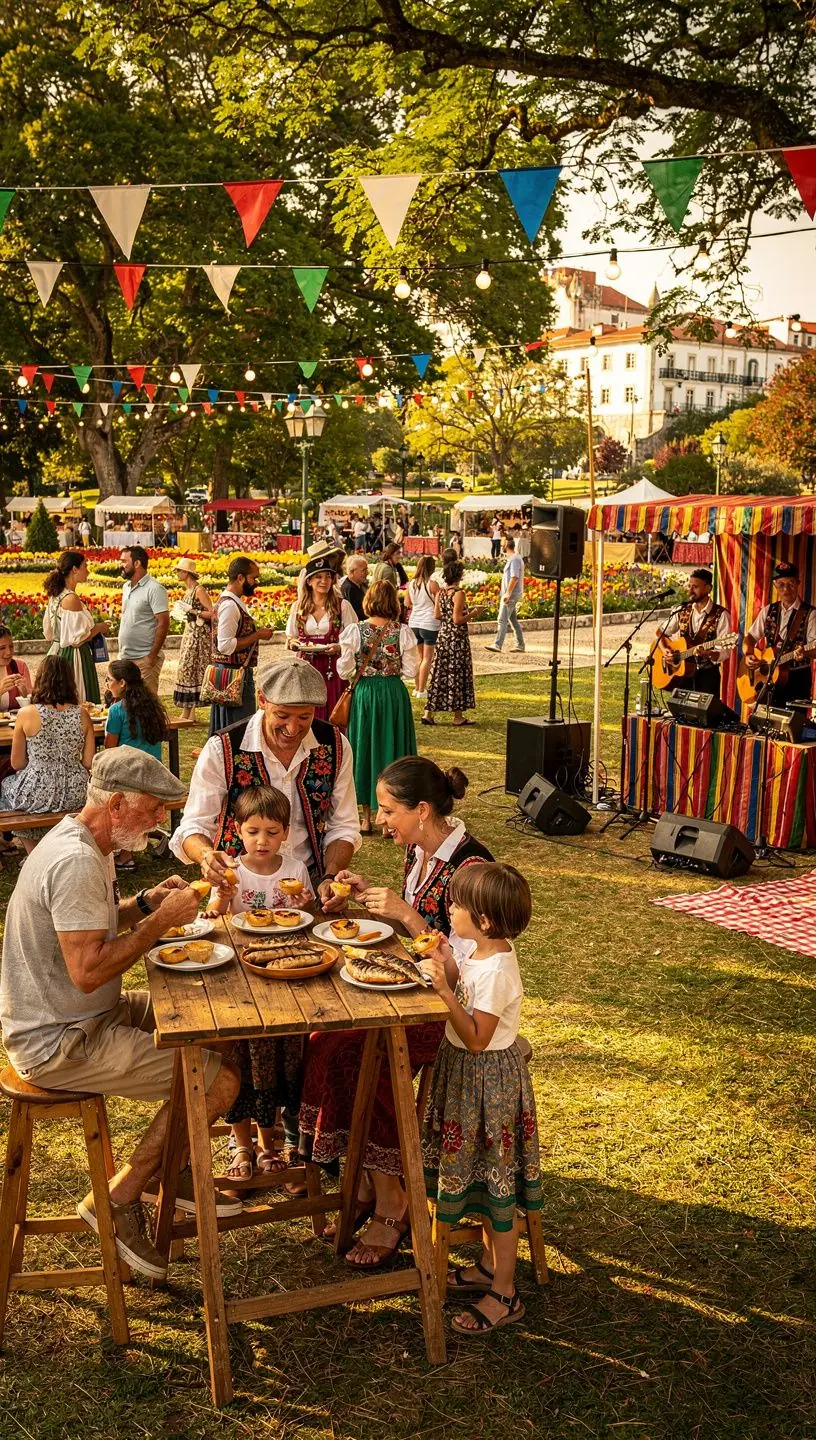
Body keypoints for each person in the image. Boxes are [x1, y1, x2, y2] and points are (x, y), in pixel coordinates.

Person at [0, 747, 241, 1281]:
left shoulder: (88, 842)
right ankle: (119, 1196)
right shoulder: (76, 861)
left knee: (214, 1025)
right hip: (59, 1039)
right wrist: (159, 924)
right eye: (153, 808)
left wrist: (146, 903)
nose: (159, 820)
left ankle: (170, 1165)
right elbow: (88, 970)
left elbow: (93, 924)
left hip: (85, 1015)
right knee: (218, 1081)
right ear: (115, 805)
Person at [299, 755, 493, 1266]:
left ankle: (393, 1200)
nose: (381, 821)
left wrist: (406, 914)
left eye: (388, 811)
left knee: (362, 1052)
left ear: (421, 810)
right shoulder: (418, 852)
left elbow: (467, 971)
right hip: (412, 992)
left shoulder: (472, 869)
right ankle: (366, 1175)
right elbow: (412, 931)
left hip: (454, 1012)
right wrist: (365, 900)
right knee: (322, 1038)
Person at [422, 861, 541, 1334]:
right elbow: (465, 986)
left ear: (485, 920)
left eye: (457, 905)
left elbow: (476, 1038)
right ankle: (490, 1268)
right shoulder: (480, 951)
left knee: (497, 1192)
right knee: (481, 1180)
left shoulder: (498, 971)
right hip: (468, 1081)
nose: (449, 908)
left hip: (487, 1086)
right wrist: (448, 960)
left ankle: (505, 1293)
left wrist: (443, 991)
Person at [170, 658, 361, 900]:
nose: (292, 728)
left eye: (305, 717)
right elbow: (194, 824)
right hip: (239, 883)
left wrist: (330, 878)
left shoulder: (335, 744)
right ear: (262, 700)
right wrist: (206, 855)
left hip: (310, 881)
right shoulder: (223, 748)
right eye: (282, 715)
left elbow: (343, 826)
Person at [205, 785, 313, 1192]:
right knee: (239, 1057)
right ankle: (241, 1145)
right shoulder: (232, 871)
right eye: (253, 832)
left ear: (285, 832)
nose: (261, 840)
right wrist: (222, 899)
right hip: (241, 978)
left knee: (276, 1057)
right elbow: (214, 918)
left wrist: (304, 906)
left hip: (283, 978)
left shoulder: (295, 870)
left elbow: (305, 921)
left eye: (271, 832)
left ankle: (271, 1144)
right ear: (238, 830)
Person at [338, 580, 418, 836]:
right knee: (393, 748)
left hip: (365, 694)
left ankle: (365, 818)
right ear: (393, 602)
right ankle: (390, 817)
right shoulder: (402, 631)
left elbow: (344, 670)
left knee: (364, 748)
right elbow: (411, 670)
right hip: (393, 693)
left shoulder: (355, 631)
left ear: (368, 601)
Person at [0, 656, 96, 849]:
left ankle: (33, 852)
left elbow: (17, 763)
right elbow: (88, 762)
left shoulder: (26, 713)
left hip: (36, 790)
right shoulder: (82, 714)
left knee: (6, 788)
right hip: (76, 790)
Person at [104, 658, 170, 870]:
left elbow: (109, 749)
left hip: (130, 775)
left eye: (109, 680)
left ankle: (125, 855)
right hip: (153, 773)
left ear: (122, 682)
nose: (107, 684)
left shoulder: (117, 711)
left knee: (106, 795)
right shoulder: (152, 706)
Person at [286, 553, 357, 724]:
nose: (324, 581)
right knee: (307, 712)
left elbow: (355, 638)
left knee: (333, 713)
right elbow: (290, 637)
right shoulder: (298, 607)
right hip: (305, 668)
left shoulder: (342, 605)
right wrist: (294, 643)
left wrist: (339, 647)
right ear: (309, 581)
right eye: (318, 577)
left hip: (332, 668)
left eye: (328, 576)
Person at [209, 555, 274, 737]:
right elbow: (225, 645)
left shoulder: (230, 602)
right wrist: (258, 635)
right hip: (233, 676)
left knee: (232, 728)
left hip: (228, 674)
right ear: (240, 578)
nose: (256, 582)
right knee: (237, 729)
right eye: (253, 578)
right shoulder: (230, 606)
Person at [743, 560, 816, 706]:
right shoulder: (768, 610)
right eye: (781, 584)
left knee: (793, 719)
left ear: (798, 583)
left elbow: (814, 649)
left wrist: (805, 653)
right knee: (763, 718)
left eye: (791, 583)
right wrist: (749, 654)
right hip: (768, 681)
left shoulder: (811, 614)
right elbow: (750, 637)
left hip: (797, 679)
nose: (786, 588)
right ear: (775, 586)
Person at [43, 550, 108, 704]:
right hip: (74, 656)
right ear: (74, 569)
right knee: (79, 697)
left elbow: (48, 633)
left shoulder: (56, 595)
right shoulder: (71, 598)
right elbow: (77, 640)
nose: (88, 571)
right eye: (85, 566)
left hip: (56, 652)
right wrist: (100, 627)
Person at [655, 568, 731, 697]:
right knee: (679, 708)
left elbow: (725, 652)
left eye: (695, 587)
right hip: (682, 676)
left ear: (708, 588)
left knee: (705, 709)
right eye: (689, 586)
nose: (690, 590)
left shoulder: (721, 615)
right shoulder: (682, 610)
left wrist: (709, 653)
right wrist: (664, 650)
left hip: (707, 677)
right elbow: (660, 632)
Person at [422, 558, 476, 728]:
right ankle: (458, 716)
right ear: (459, 575)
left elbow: (437, 615)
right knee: (457, 673)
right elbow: (457, 619)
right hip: (456, 639)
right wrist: (473, 614)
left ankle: (428, 713)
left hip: (443, 636)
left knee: (439, 673)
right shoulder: (458, 593)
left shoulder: (442, 593)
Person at [118, 546, 169, 694]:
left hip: (144, 659)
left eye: (124, 561)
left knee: (146, 703)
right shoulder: (126, 587)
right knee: (126, 702)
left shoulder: (155, 589)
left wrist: (151, 657)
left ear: (137, 563)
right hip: (125, 657)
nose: (120, 565)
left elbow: (163, 623)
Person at [172, 557, 214, 720]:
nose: (177, 573)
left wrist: (194, 611)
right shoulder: (189, 591)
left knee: (191, 668)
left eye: (179, 570)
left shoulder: (199, 590)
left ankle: (189, 712)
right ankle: (189, 712)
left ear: (187, 573)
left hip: (198, 635)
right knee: (187, 669)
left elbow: (212, 613)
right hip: (190, 631)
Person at [407, 555, 441, 700]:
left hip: (414, 622)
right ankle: (422, 689)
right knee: (427, 658)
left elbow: (407, 603)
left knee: (419, 658)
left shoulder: (411, 584)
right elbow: (439, 604)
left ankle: (416, 687)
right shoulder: (433, 584)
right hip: (429, 623)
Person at [485, 535, 526, 655]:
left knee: (502, 619)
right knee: (513, 620)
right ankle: (520, 644)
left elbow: (514, 577)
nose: (501, 546)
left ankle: (498, 644)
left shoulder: (514, 559)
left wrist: (507, 594)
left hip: (511, 595)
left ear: (507, 545)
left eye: (503, 544)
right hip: (511, 594)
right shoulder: (514, 558)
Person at [341, 553, 368, 621]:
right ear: (352, 571)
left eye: (366, 569)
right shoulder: (349, 589)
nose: (367, 573)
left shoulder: (361, 584)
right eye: (363, 570)